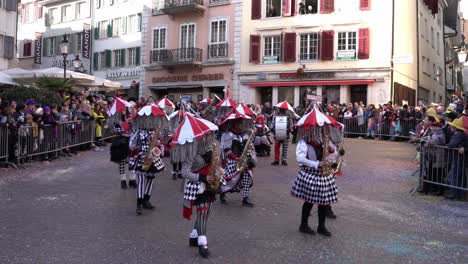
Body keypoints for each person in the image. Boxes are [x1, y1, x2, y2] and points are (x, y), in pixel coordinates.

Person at [180, 142, 217, 258]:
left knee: (205, 213)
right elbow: (184, 172)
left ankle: (194, 236)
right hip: (196, 186)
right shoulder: (190, 150)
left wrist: (218, 169)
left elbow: (213, 164)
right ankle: (202, 242)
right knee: (203, 211)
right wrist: (202, 177)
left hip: (209, 183)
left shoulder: (210, 146)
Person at [220, 116, 256, 207]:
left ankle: (245, 198)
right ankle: (223, 192)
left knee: (247, 175)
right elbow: (226, 149)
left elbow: (248, 146)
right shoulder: (228, 134)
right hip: (232, 160)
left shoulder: (245, 134)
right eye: (239, 123)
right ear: (234, 123)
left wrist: (251, 148)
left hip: (244, 159)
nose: (241, 125)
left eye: (241, 123)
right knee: (229, 178)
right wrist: (236, 158)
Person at [129, 128, 165, 215]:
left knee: (150, 179)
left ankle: (146, 200)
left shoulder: (156, 131)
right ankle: (139, 203)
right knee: (141, 181)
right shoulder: (138, 131)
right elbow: (131, 145)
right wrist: (140, 150)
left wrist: (159, 145)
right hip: (142, 159)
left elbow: (161, 142)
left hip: (153, 158)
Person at [445, 118, 467, 200]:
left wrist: (447, 145)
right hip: (459, 158)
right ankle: (460, 194)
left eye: (452, 125)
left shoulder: (458, 134)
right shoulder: (460, 134)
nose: (450, 127)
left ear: (455, 127)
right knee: (460, 177)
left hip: (458, 158)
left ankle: (454, 194)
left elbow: (451, 144)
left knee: (453, 176)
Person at [110, 123, 136, 189]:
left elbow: (137, 130)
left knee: (132, 161)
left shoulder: (135, 118)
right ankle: (123, 181)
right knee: (122, 162)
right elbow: (114, 130)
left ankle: (132, 180)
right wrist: (125, 126)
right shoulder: (118, 119)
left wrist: (132, 127)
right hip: (121, 143)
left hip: (132, 142)